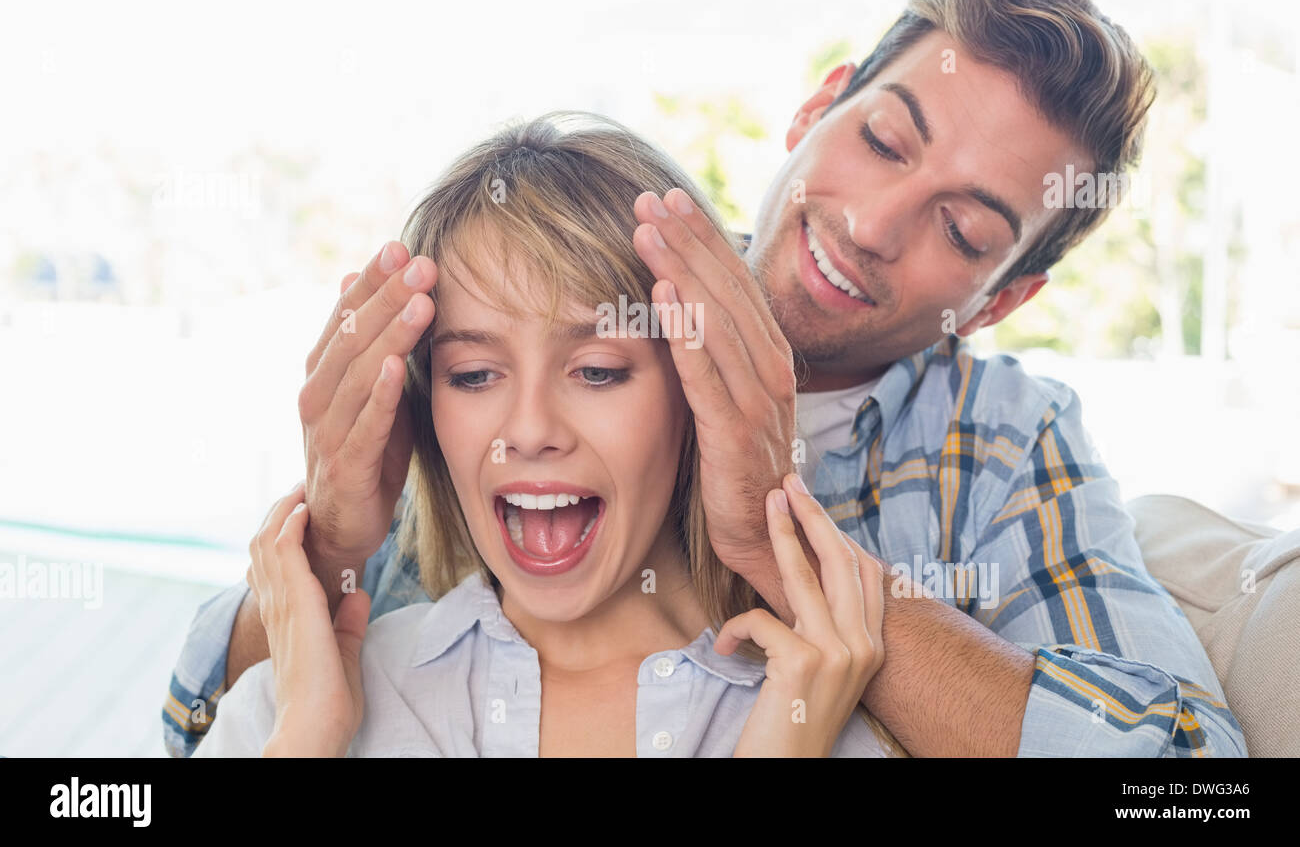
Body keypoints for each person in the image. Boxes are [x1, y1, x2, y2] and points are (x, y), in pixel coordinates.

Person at [166, 0, 1246, 757]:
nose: (872, 223)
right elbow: (192, 736)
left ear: (1002, 296)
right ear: (816, 107)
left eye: (962, 232)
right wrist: (336, 544)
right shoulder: (578, 275)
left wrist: (776, 546)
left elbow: (1191, 777)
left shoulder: (1008, 444)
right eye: (880, 139)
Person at [191, 112, 893, 756]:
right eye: (471, 375)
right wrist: (310, 733)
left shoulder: (822, 717)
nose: (527, 431)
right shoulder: (296, 706)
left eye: (595, 371)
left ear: (703, 394)